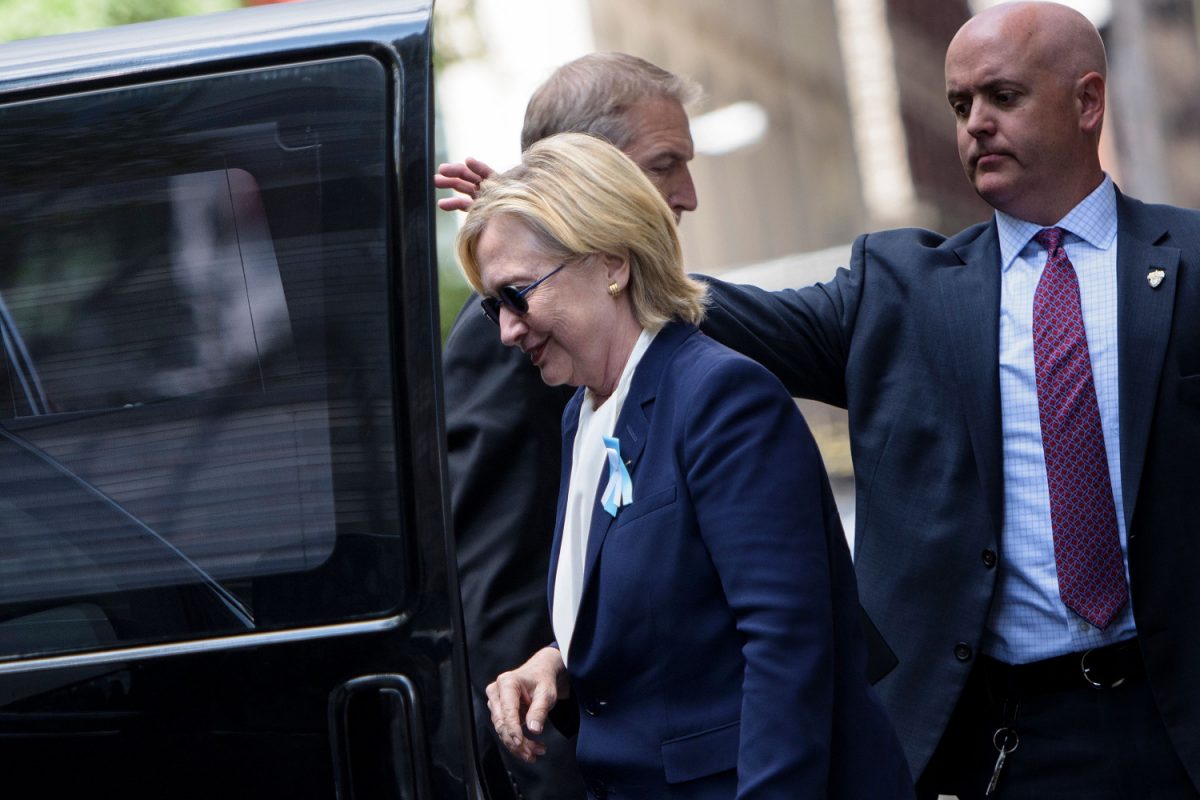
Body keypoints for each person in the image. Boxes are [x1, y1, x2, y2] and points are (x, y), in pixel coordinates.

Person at [700, 3, 1200, 798]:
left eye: (1003, 96)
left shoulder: (1191, 262)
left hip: (1182, 718)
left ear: (1087, 102)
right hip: (1005, 743)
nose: (976, 126)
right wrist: (576, 233)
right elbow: (723, 316)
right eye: (961, 106)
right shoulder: (896, 292)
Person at [457, 132, 913, 799]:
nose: (506, 330)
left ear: (611, 263)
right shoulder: (580, 417)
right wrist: (560, 662)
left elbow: (787, 652)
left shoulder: (721, 396)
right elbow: (675, 618)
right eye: (494, 305)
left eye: (519, 295)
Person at [437, 53, 699, 800]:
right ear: (594, 174)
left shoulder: (622, 333)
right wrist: (550, 780)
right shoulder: (512, 345)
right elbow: (504, 598)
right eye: (665, 164)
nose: (687, 193)